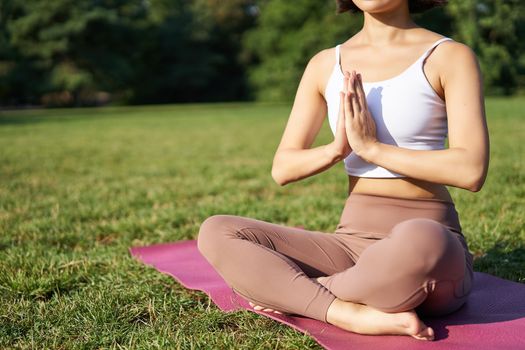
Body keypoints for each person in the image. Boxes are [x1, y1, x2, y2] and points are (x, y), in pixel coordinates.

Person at [197, 0, 489, 341]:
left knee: (426, 241)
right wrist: (338, 149)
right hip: (349, 246)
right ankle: (345, 312)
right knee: (217, 230)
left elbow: (470, 170)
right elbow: (283, 168)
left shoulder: (449, 56)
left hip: (427, 242)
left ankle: (302, 293)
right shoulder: (324, 64)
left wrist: (371, 148)